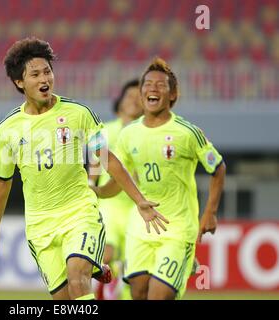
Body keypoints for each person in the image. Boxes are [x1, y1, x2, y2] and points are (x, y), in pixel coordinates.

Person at [0, 37, 168, 300]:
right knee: (63, 299)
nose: (45, 79)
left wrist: (139, 200)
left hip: (79, 212)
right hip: (40, 225)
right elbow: (2, 181)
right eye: (35, 74)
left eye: (48, 71)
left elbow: (107, 159)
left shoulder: (79, 114)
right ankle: (97, 266)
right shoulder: (8, 130)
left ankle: (91, 265)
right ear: (19, 82)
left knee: (78, 278)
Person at [92, 57, 226, 300]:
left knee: (158, 296)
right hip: (140, 227)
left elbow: (217, 168)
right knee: (138, 293)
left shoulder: (188, 133)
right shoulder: (128, 134)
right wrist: (98, 191)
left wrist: (211, 212)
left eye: (160, 85)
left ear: (172, 95)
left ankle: (183, 261)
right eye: (148, 84)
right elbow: (119, 180)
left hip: (177, 228)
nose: (152, 88)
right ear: (142, 93)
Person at [89, 79, 144, 300]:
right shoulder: (106, 130)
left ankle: (121, 294)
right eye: (129, 95)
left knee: (133, 265)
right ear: (120, 101)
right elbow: (95, 162)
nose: (133, 100)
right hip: (109, 203)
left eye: (138, 97)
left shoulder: (145, 133)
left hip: (135, 207)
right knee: (106, 254)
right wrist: (91, 185)